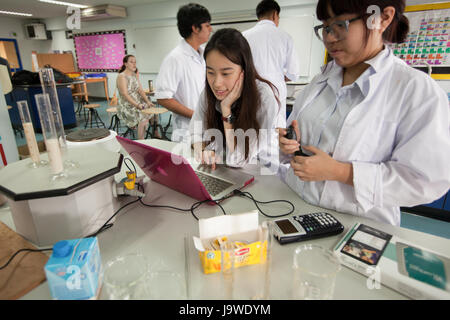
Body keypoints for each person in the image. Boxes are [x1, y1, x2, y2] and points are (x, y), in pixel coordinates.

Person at [278, 0, 450, 226]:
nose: (329, 38)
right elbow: (293, 137)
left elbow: (425, 181)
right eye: (326, 27)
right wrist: (286, 143)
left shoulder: (414, 90)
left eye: (341, 24)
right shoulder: (319, 82)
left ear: (383, 18)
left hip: (357, 228)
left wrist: (341, 172)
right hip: (295, 210)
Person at [189, 28, 280, 172]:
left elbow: (238, 159)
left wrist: (226, 109)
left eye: (226, 73)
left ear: (244, 70)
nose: (217, 83)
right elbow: (194, 133)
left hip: (261, 171)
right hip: (226, 171)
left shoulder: (263, 98)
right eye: (210, 72)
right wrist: (203, 150)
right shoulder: (208, 94)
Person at [155, 3, 212, 143]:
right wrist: (195, 115)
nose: (211, 29)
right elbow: (163, 98)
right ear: (195, 28)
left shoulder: (205, 54)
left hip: (208, 127)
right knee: (189, 163)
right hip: (187, 131)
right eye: (207, 25)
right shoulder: (175, 58)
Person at [243, 0, 299, 128]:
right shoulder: (286, 37)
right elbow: (293, 74)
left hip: (251, 93)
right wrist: (277, 77)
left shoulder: (244, 36)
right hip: (276, 95)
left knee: (250, 134)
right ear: (275, 15)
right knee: (275, 137)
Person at [116, 54, 158, 140]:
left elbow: (140, 90)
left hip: (138, 102)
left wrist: (147, 101)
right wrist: (137, 105)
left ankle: (155, 132)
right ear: (125, 64)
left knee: (153, 110)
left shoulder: (134, 75)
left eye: (135, 62)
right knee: (143, 118)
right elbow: (125, 94)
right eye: (131, 62)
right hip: (127, 106)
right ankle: (141, 141)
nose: (134, 64)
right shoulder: (122, 76)